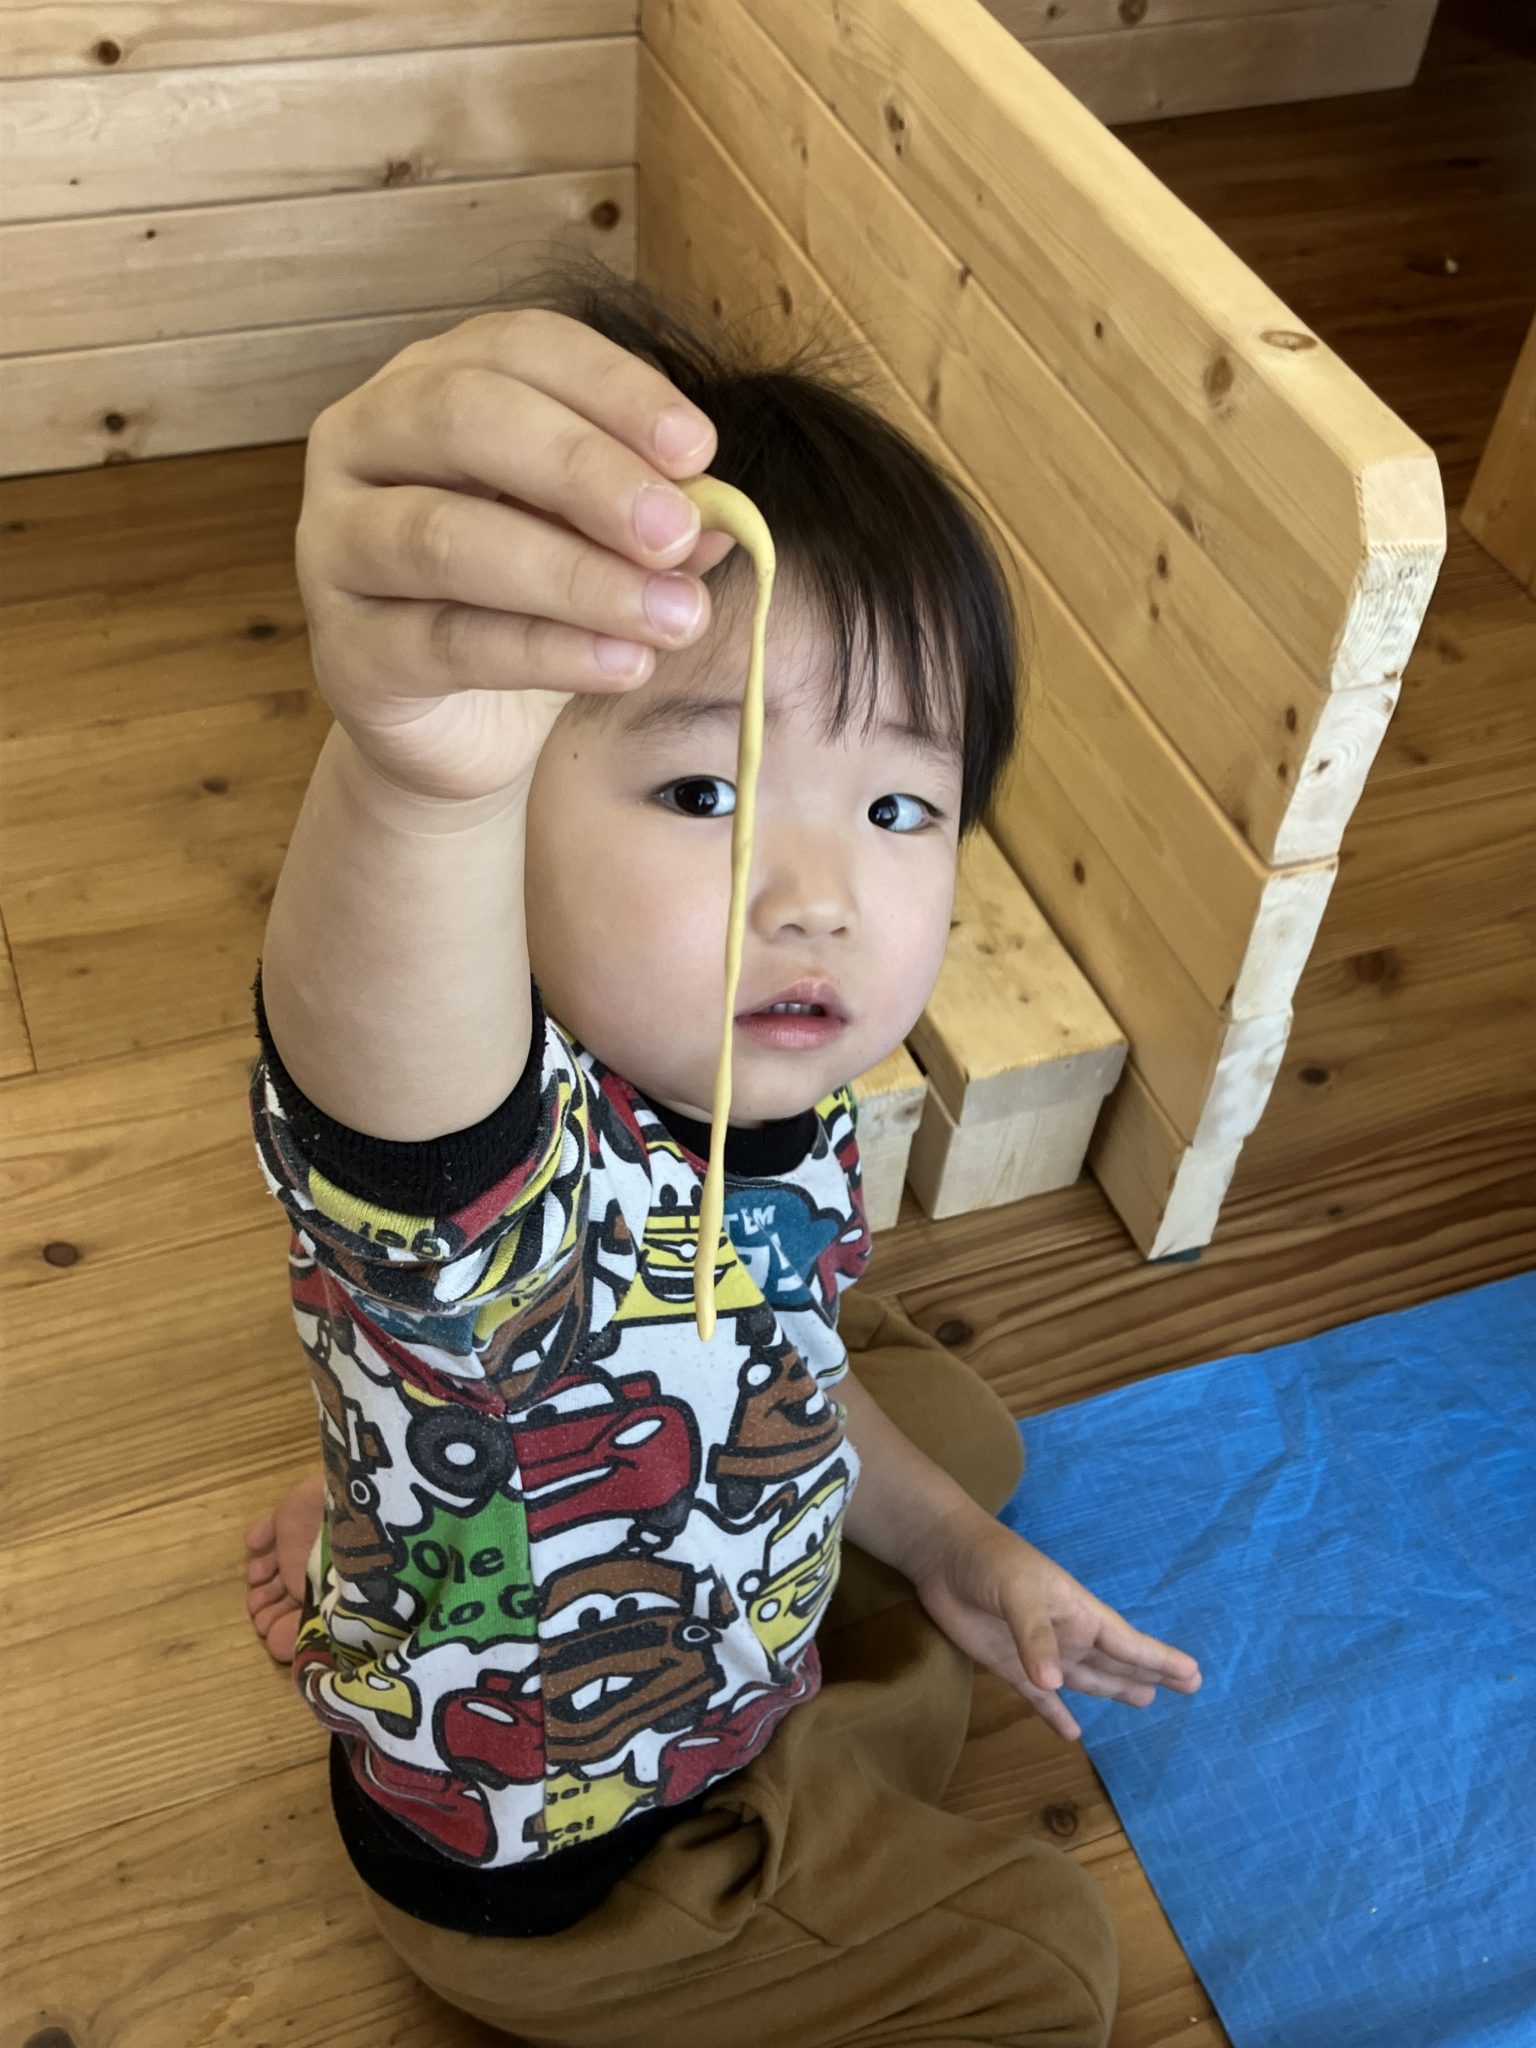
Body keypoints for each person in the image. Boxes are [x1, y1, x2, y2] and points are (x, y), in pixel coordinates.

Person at [242, 261, 1201, 2047]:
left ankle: (394, 1502)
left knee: (950, 1433)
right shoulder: (481, 1156)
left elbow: (791, 1362)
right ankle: (420, 1513)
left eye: (899, 805)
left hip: (657, 1569)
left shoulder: (765, 1093)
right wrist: (414, 785)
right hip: (587, 1872)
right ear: (511, 813)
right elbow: (378, 1081)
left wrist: (961, 1552)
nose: (820, 894)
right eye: (707, 790)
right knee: (1048, 1959)